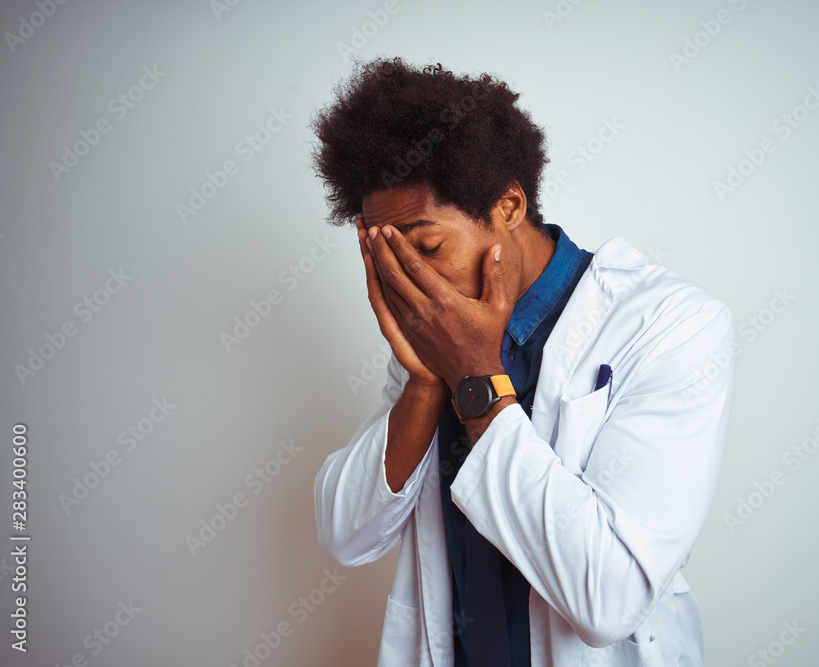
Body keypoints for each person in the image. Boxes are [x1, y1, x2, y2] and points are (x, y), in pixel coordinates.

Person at [311, 57, 736, 667]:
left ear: (509, 205)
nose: (411, 282)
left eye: (428, 247)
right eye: (389, 259)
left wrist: (474, 378)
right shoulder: (430, 342)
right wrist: (426, 383)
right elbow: (346, 535)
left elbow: (608, 599)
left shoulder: (672, 324)